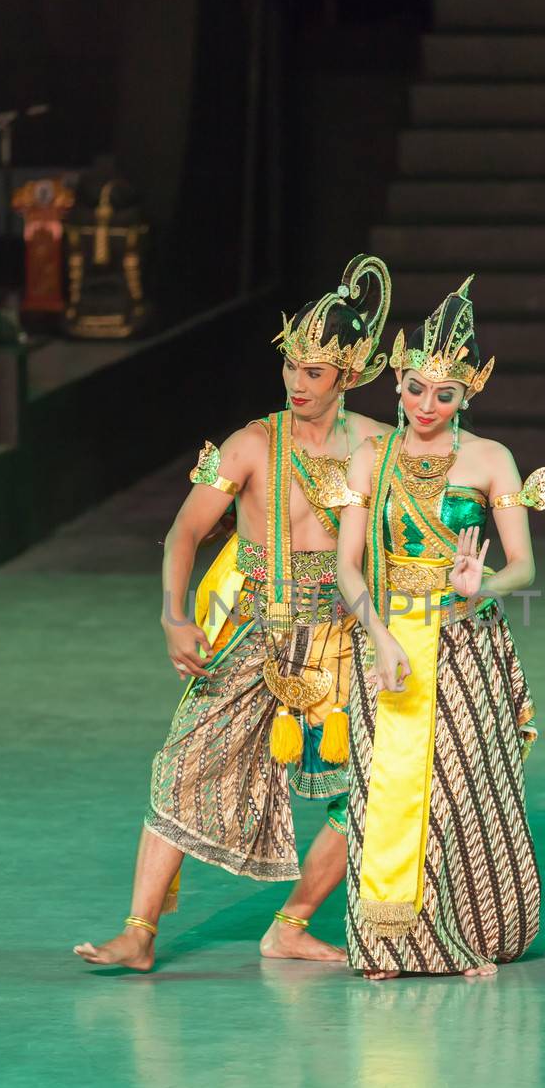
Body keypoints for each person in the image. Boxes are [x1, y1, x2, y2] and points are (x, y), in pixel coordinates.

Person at [74, 255, 393, 972]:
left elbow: (400, 540)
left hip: (341, 640)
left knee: (376, 784)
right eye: (291, 368)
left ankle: (292, 923)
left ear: (349, 373)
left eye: (314, 373)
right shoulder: (251, 445)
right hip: (254, 630)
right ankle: (139, 932)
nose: (296, 383)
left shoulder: (377, 445)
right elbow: (185, 532)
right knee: (184, 767)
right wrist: (172, 616)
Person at [336, 276, 545, 980]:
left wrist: (479, 586)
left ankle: (460, 933)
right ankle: (388, 943)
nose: (424, 406)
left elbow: (522, 567)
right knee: (385, 793)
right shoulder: (369, 458)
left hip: (466, 642)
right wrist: (381, 635)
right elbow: (348, 569)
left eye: (443, 394)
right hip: (389, 640)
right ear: (397, 381)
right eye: (413, 389)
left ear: (468, 394)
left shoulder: (491, 460)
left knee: (460, 790)